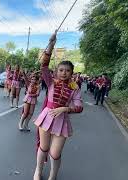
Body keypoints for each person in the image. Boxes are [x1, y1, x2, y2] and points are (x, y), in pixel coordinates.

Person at [33, 30, 83, 180]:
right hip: (46, 117)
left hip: (62, 121)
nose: (64, 73)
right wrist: (51, 44)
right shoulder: (51, 82)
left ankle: (52, 176)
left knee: (55, 154)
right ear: (56, 71)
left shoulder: (75, 88)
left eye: (67, 71)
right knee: (44, 147)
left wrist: (66, 108)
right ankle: (38, 171)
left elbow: (80, 107)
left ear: (72, 73)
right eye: (61, 70)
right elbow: (44, 65)